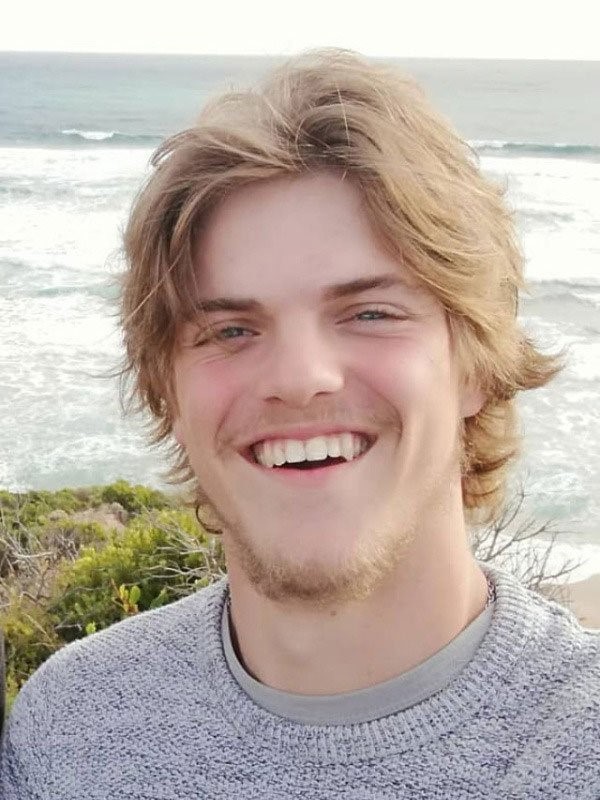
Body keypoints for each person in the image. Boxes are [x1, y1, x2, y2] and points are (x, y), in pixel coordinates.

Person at [1, 48, 598, 799]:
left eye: (371, 313)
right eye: (229, 330)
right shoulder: (67, 733)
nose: (298, 377)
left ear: (476, 365)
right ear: (168, 394)